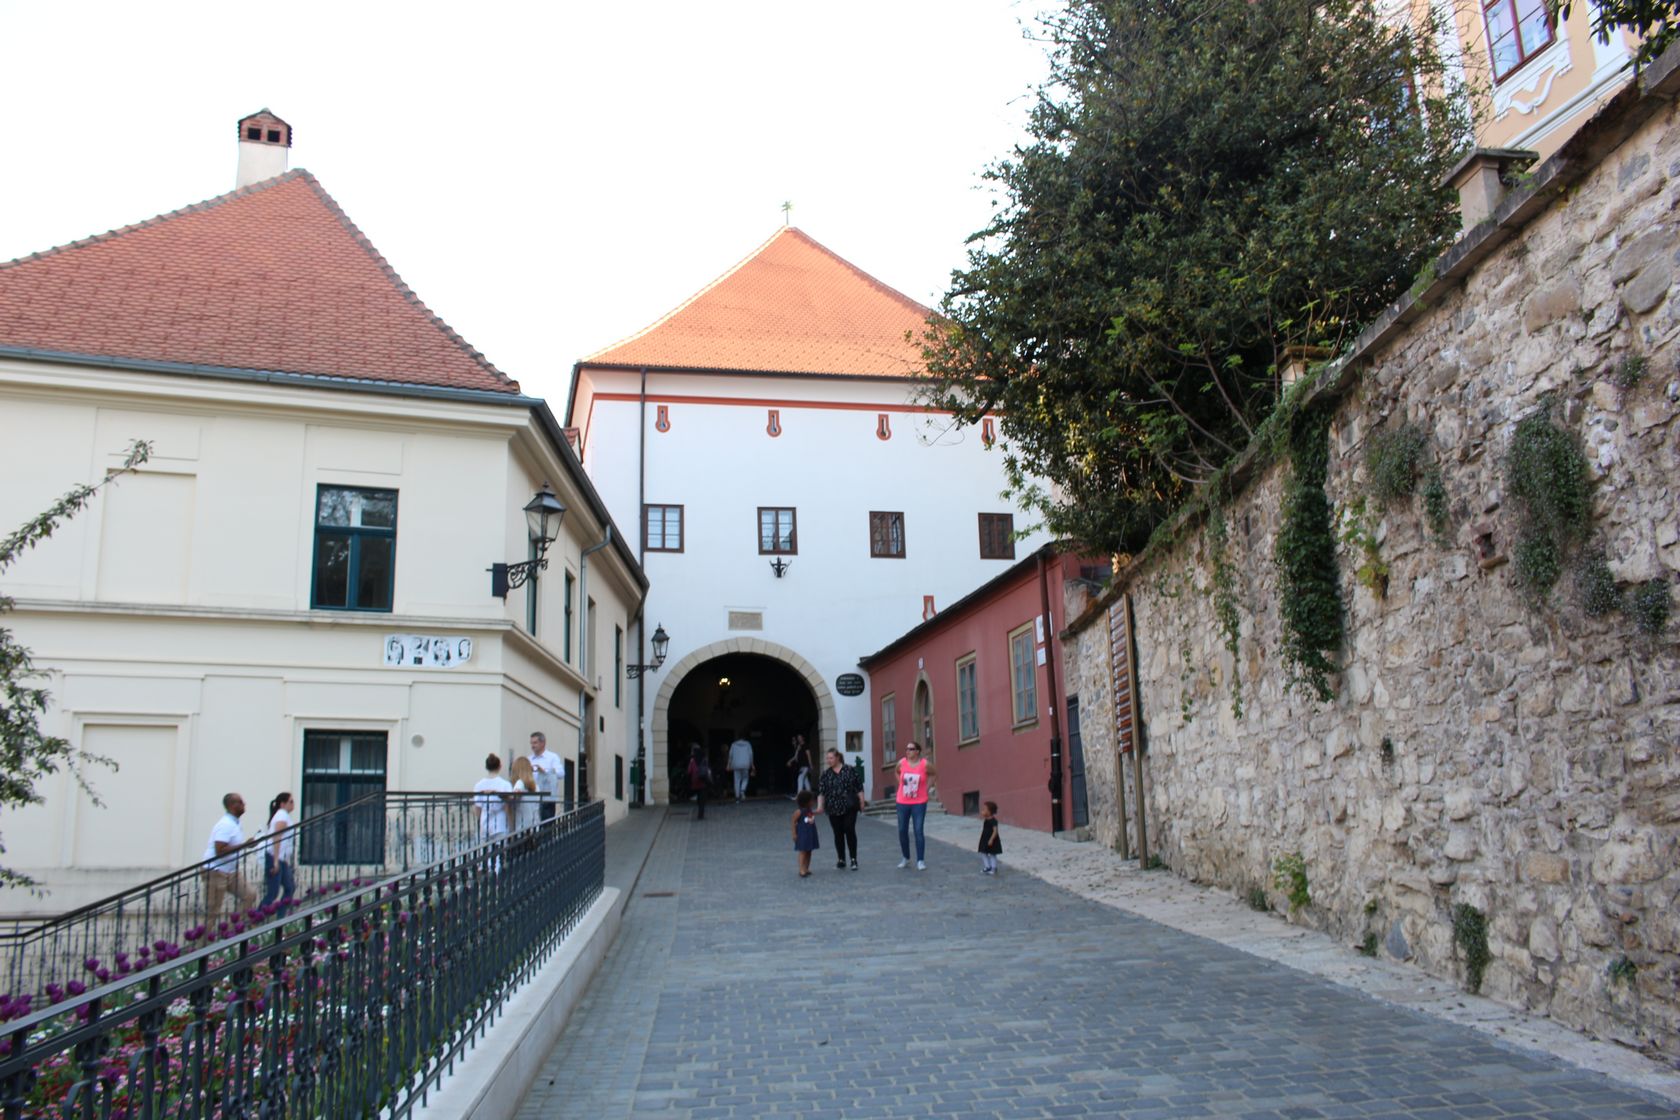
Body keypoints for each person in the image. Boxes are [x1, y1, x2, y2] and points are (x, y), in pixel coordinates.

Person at [203, 792, 257, 918]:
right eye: (241, 802)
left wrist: (247, 845)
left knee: (250, 895)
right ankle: (205, 931)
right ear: (232, 806)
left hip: (231, 871)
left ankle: (233, 928)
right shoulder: (225, 824)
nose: (244, 804)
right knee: (212, 911)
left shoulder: (235, 823)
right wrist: (244, 845)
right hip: (216, 871)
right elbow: (220, 850)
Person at [816, 748, 866, 870]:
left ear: (837, 758)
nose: (828, 760)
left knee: (849, 829)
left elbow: (859, 787)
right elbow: (821, 792)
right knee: (838, 833)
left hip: (849, 806)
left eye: (831, 758)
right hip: (833, 807)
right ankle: (841, 859)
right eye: (827, 758)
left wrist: (862, 801)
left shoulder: (849, 770)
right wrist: (820, 806)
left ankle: (853, 859)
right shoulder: (825, 774)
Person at [894, 741, 935, 870]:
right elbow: (896, 772)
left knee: (918, 830)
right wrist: (901, 785)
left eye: (911, 749)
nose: (908, 751)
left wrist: (926, 788)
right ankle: (905, 857)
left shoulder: (924, 764)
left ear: (917, 751)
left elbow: (934, 774)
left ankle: (920, 860)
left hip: (919, 802)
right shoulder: (902, 763)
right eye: (907, 749)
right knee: (902, 830)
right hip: (902, 802)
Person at [259, 791, 297, 908]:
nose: (293, 804)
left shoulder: (284, 816)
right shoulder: (281, 816)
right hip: (275, 858)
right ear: (282, 804)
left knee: (290, 887)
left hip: (281, 858)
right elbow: (277, 837)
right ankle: (257, 915)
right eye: (291, 802)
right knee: (273, 893)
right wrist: (275, 861)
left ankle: (281, 915)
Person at [473, 753, 514, 840]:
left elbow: (477, 807)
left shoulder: (479, 785)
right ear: (500, 766)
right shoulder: (505, 784)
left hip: (484, 821)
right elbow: (509, 804)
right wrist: (511, 824)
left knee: (485, 846)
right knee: (501, 846)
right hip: (500, 821)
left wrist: (479, 820)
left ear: (486, 767)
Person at [529, 732, 563, 820]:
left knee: (547, 824)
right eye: (531, 743)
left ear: (543, 743)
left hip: (547, 799)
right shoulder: (529, 759)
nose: (532, 746)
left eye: (535, 743)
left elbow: (561, 773)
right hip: (532, 798)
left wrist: (545, 771)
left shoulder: (552, 757)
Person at [792, 790, 820, 878]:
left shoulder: (809, 810)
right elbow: (793, 822)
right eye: (812, 800)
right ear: (806, 801)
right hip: (802, 834)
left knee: (809, 851)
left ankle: (806, 868)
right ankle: (801, 869)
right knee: (803, 851)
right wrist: (794, 834)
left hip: (810, 833)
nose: (813, 802)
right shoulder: (799, 812)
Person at [509, 756, 541, 831]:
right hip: (535, 825)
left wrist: (504, 797)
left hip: (521, 827)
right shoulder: (536, 787)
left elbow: (516, 793)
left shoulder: (520, 783)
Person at [726, 735, 755, 802]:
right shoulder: (748, 744)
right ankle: (742, 790)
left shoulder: (733, 744)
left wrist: (728, 765)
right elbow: (751, 754)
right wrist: (752, 764)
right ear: (744, 738)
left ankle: (737, 798)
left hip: (736, 765)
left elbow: (730, 755)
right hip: (745, 764)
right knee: (745, 778)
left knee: (737, 781)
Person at [978, 800, 1003, 876]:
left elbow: (995, 831)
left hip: (992, 840)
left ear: (989, 812)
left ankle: (993, 868)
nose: (982, 811)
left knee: (992, 854)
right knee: (983, 852)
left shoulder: (993, 821)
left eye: (984, 809)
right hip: (985, 839)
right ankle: (987, 867)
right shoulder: (986, 820)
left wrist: (991, 839)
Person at [686, 743, 710, 820]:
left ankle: (698, 803)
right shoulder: (704, 758)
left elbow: (689, 771)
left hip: (695, 780)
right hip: (703, 780)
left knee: (698, 796)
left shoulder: (692, 760)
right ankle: (701, 814)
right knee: (702, 798)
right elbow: (707, 769)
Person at [786, 733, 813, 798]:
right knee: (806, 781)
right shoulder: (799, 747)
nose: (799, 739)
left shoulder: (805, 745)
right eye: (798, 738)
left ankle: (799, 796)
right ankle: (810, 795)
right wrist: (790, 761)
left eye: (800, 737)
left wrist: (810, 764)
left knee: (800, 778)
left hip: (805, 766)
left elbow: (808, 755)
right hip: (801, 766)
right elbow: (795, 756)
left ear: (803, 738)